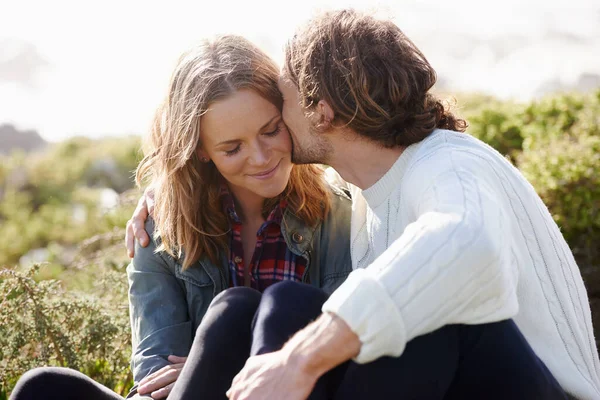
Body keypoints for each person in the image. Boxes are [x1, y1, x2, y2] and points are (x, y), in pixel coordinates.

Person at [129, 9, 599, 400]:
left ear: (322, 111)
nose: (274, 114)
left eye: (279, 106)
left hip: (538, 388)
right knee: (281, 304)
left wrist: (299, 358)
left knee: (428, 323)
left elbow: (467, 244)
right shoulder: (365, 195)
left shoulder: (449, 164)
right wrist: (172, 188)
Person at [9, 35, 353, 400]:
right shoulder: (162, 224)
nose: (261, 157)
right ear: (201, 150)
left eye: (271, 130)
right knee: (42, 387)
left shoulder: (337, 217)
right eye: (232, 148)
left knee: (233, 312)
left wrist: (212, 369)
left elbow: (340, 359)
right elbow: (155, 372)